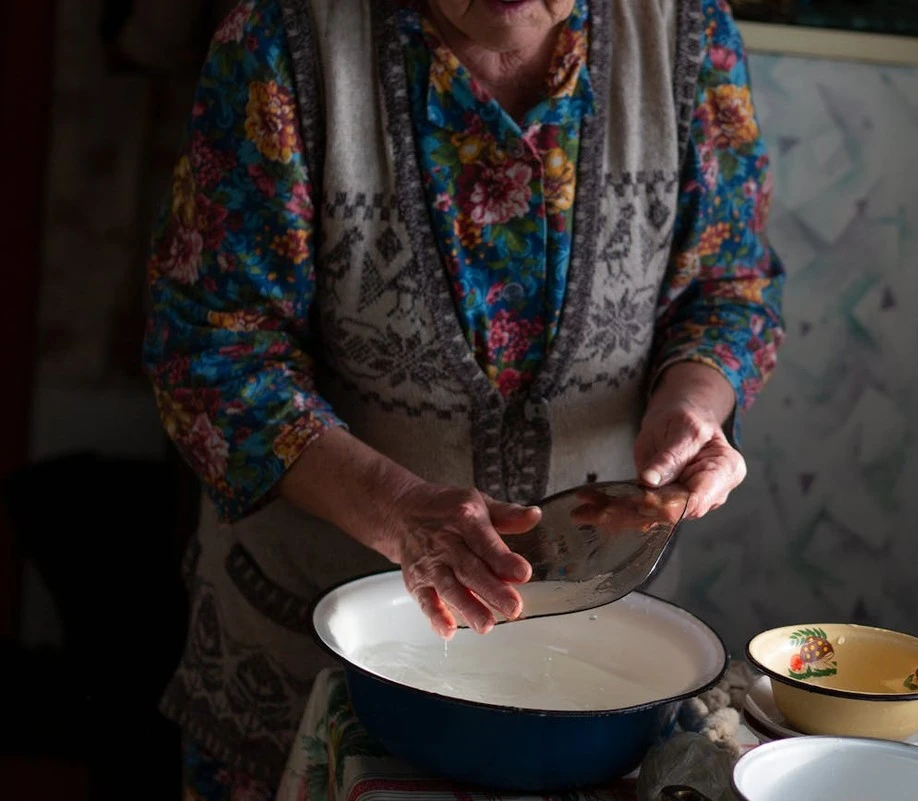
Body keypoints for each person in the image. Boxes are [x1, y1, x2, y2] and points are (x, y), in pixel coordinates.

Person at [143, 0, 785, 797]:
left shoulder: (688, 34)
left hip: (593, 671)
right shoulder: (283, 37)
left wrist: (693, 399)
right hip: (309, 646)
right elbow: (211, 349)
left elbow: (730, 284)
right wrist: (399, 507)